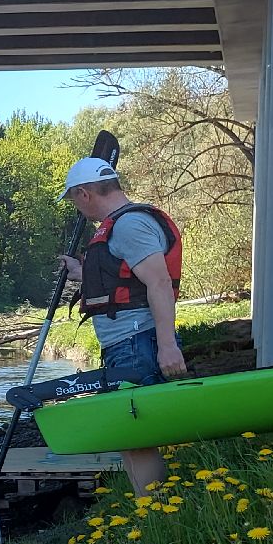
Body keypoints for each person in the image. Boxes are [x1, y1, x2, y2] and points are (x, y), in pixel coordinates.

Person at [55, 157, 188, 495]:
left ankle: (158, 515)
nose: (76, 208)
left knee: (136, 435)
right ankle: (149, 510)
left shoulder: (130, 226)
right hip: (125, 343)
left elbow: (158, 284)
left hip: (137, 342)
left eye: (73, 199)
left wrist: (168, 345)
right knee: (129, 437)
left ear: (85, 194)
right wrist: (84, 273)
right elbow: (123, 281)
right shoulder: (119, 227)